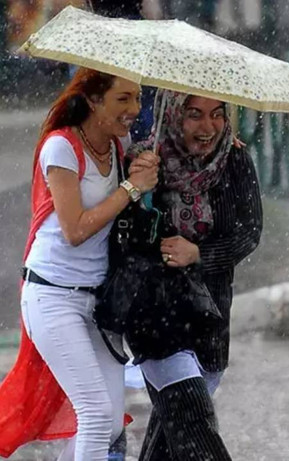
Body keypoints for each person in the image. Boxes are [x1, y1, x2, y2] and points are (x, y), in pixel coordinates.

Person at [0, 68, 158, 460]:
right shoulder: (62, 147)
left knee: (105, 419)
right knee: (93, 410)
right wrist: (130, 188)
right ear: (92, 100)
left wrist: (140, 174)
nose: (134, 110)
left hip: (98, 302)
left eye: (137, 98)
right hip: (52, 295)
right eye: (123, 99)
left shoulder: (118, 149)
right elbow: (75, 229)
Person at [114, 89, 262, 460]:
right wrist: (137, 191)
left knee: (169, 435)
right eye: (194, 114)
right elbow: (121, 238)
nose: (207, 126)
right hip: (155, 314)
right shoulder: (143, 159)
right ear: (173, 113)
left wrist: (199, 253)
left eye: (217, 114)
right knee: (194, 422)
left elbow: (249, 231)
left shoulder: (236, 159)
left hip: (212, 318)